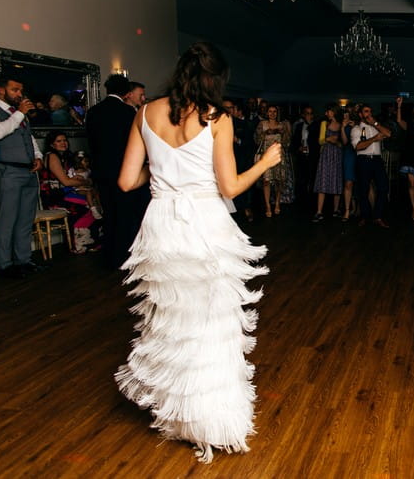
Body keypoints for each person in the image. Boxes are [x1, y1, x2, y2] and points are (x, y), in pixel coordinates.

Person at [114, 41, 281, 464]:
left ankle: (179, 417)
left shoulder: (146, 112)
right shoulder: (216, 118)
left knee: (174, 321)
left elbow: (126, 182)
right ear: (214, 80)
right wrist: (264, 162)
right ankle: (209, 420)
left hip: (162, 223)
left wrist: (166, 167)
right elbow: (228, 188)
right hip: (205, 223)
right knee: (211, 322)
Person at [86, 74, 150, 268]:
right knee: (125, 214)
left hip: (101, 172)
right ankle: (123, 256)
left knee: (109, 213)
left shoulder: (93, 111)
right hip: (124, 171)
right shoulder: (128, 112)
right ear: (128, 93)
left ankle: (109, 255)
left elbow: (92, 143)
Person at [0, 75, 44, 279]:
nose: (19, 94)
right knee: (8, 219)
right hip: (7, 170)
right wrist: (19, 114)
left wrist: (37, 156)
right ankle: (5, 265)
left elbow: (28, 137)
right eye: (15, 90)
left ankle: (24, 260)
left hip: (28, 170)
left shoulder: (18, 113)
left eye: (20, 90)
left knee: (25, 219)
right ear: (1, 90)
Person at [39, 132, 102, 252]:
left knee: (95, 202)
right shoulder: (52, 156)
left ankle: (93, 240)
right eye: (59, 141)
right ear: (52, 144)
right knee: (85, 206)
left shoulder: (67, 157)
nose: (63, 143)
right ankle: (79, 244)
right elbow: (66, 182)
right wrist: (87, 182)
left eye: (64, 140)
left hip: (67, 192)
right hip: (55, 196)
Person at [352, 104, 391, 227]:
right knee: (363, 190)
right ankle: (365, 216)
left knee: (383, 187)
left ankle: (377, 216)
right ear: (360, 114)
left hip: (377, 160)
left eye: (370, 111)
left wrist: (375, 123)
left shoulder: (376, 127)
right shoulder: (356, 129)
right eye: (366, 111)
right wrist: (374, 139)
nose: (369, 113)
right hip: (363, 160)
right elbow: (357, 146)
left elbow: (388, 134)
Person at [256, 105, 291, 217]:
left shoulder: (282, 125)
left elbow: (287, 142)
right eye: (270, 111)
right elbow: (257, 140)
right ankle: (267, 206)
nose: (272, 113)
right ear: (267, 113)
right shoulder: (262, 124)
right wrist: (265, 133)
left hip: (279, 156)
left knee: (278, 181)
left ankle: (277, 203)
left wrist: (285, 132)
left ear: (277, 113)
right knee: (266, 180)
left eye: (274, 111)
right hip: (266, 156)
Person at [312, 105, 343, 222]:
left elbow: (342, 144)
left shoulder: (341, 125)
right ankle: (319, 211)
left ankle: (336, 210)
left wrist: (336, 142)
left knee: (336, 180)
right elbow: (320, 141)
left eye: (328, 111)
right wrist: (329, 139)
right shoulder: (324, 124)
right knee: (322, 180)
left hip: (337, 155)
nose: (326, 113)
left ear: (333, 112)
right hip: (326, 154)